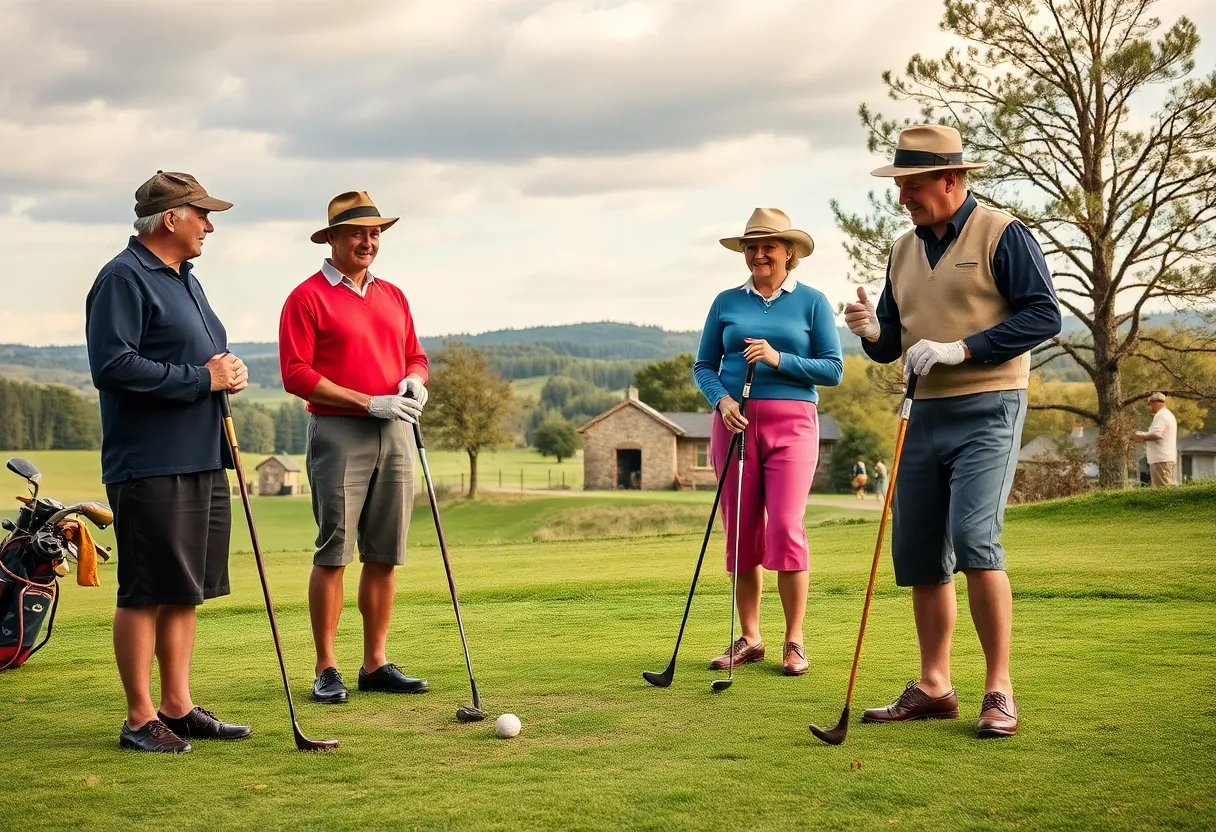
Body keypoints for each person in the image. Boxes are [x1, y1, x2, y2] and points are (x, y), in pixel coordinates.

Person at [843, 125, 1061, 738]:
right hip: (922, 414)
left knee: (974, 540)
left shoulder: (1002, 233)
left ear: (950, 179)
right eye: (899, 186)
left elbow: (1044, 315)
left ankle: (999, 689)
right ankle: (936, 685)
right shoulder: (901, 249)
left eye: (912, 185)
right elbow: (891, 344)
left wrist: (962, 349)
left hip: (988, 407)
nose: (903, 197)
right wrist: (870, 330)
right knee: (917, 552)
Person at [86, 171, 252, 753]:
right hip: (149, 462)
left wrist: (224, 371)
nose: (210, 225)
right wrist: (201, 378)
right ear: (172, 217)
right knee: (145, 589)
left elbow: (196, 359)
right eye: (203, 214)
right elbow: (113, 367)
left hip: (201, 454)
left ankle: (176, 707)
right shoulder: (123, 278)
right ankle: (139, 718)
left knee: (185, 589)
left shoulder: (186, 278)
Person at [279, 191, 431, 704]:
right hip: (340, 432)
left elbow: (415, 354)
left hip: (397, 430)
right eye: (357, 234)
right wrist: (369, 402)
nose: (368, 242)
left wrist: (414, 380)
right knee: (335, 553)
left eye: (375, 234)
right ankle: (326, 668)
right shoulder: (306, 298)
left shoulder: (393, 294)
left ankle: (375, 663)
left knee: (384, 554)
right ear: (333, 240)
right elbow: (297, 374)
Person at [694, 207, 844, 676]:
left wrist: (779, 359)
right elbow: (704, 367)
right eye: (751, 247)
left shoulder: (813, 302)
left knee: (784, 528)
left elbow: (833, 369)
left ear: (790, 253)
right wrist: (721, 401)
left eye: (768, 247)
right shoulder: (724, 302)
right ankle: (750, 637)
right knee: (741, 534)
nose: (758, 254)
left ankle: (794, 640)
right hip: (734, 424)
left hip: (793, 424)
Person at [1134, 392, 1177, 486]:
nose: (1150, 407)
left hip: (1161, 460)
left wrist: (1140, 435)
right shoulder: (1167, 414)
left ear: (1155, 403)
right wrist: (1145, 437)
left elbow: (1157, 434)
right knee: (1164, 488)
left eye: (1150, 404)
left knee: (1162, 491)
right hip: (1164, 458)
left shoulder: (1161, 415)